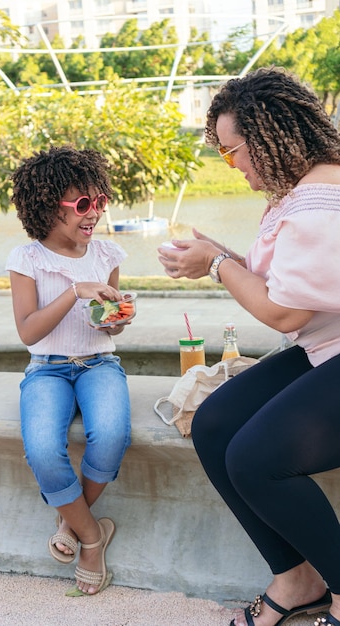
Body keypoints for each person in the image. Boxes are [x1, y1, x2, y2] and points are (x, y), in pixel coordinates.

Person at [157, 67, 340, 626]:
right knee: (214, 423)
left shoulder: (318, 203)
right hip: (325, 346)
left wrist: (214, 265)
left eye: (231, 150)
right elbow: (292, 285)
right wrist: (222, 255)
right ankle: (296, 577)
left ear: (266, 138)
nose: (228, 163)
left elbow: (283, 310)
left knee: (256, 458)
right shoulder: (307, 189)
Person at [6, 145, 132, 596]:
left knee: (113, 435)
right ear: (46, 207)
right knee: (42, 451)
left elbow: (107, 332)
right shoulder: (28, 259)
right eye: (82, 205)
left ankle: (68, 522)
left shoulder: (108, 253)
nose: (93, 213)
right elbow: (28, 332)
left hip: (100, 363)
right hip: (47, 370)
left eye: (98, 202)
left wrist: (117, 318)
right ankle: (93, 537)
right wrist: (73, 292)